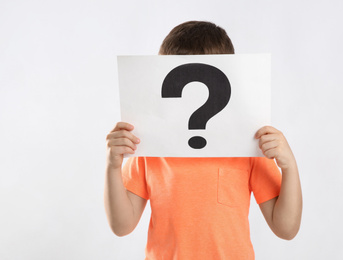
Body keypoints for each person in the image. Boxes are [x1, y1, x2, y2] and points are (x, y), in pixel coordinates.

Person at [104, 21, 302, 259]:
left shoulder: (247, 147)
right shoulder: (150, 147)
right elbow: (121, 226)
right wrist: (112, 165)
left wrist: (289, 165)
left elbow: (286, 228)